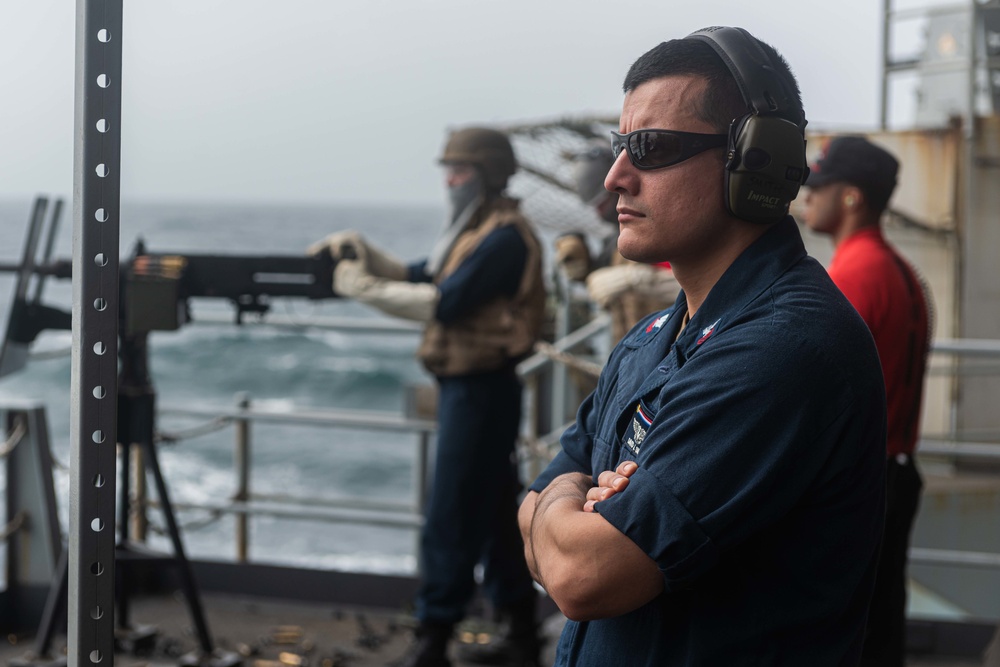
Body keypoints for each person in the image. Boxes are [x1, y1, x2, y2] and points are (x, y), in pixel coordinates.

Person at [518, 26, 888, 666]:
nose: (614, 179)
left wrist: (569, 508)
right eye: (619, 146)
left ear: (756, 159)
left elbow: (579, 575)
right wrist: (567, 501)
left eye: (651, 148)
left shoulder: (782, 350)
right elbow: (535, 525)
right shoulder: (650, 341)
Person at [308, 127, 546, 667]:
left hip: (480, 391)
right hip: (473, 389)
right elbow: (425, 272)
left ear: (484, 176)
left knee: (450, 513)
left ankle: (432, 641)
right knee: (489, 514)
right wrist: (366, 254)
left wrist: (359, 286)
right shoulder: (478, 230)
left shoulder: (505, 237)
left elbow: (447, 299)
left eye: (458, 170)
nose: (449, 180)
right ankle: (522, 634)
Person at [803, 135, 932, 667]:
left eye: (819, 186)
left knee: (845, 636)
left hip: (861, 481)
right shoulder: (900, 269)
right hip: (897, 469)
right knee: (880, 628)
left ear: (851, 197)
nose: (807, 196)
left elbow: (815, 397)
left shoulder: (854, 275)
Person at [554, 141, 681, 342]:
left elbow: (697, 283)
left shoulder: (664, 229)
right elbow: (603, 283)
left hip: (670, 343)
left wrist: (637, 279)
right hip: (633, 347)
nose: (599, 212)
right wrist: (581, 266)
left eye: (603, 202)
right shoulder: (616, 239)